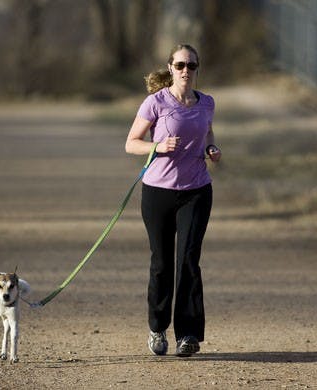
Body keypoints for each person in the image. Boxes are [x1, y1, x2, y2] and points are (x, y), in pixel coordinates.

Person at [125, 44, 221, 357]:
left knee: (189, 260)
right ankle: (157, 328)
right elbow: (131, 143)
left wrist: (211, 150)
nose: (185, 71)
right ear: (170, 68)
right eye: (179, 65)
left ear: (197, 69)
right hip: (158, 193)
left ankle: (188, 335)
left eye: (191, 66)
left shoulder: (206, 103)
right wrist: (158, 146)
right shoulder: (155, 102)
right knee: (162, 263)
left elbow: (207, 134)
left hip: (196, 190)